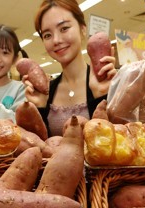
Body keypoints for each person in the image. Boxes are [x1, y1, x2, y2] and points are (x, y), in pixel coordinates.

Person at [27, 0, 117, 136]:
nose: (56, 40)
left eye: (64, 28)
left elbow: (116, 142)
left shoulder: (108, 82)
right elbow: (42, 147)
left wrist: (102, 96)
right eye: (47, 35)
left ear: (82, 28)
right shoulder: (47, 92)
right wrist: (40, 108)